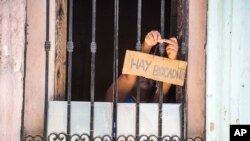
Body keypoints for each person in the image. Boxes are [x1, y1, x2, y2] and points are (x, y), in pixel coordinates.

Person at [105, 30, 179, 103]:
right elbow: (129, 78)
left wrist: (172, 59)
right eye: (143, 68)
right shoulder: (114, 96)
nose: (144, 75)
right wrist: (146, 45)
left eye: (149, 71)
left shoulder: (155, 103)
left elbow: (162, 92)